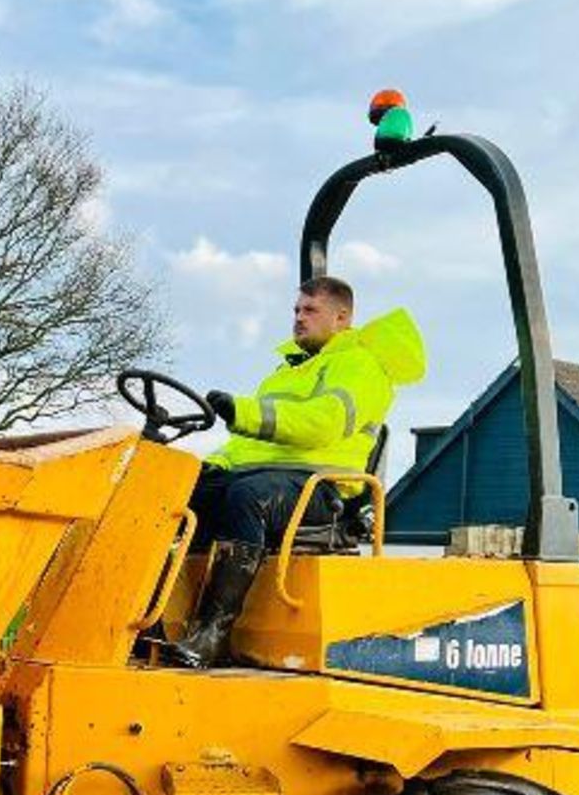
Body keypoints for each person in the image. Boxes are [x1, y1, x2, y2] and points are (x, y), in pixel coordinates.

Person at [170, 276, 426, 668]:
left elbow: (321, 423)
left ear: (341, 318)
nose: (298, 319)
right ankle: (157, 619)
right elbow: (249, 445)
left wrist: (245, 412)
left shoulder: (360, 365)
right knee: (176, 489)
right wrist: (206, 467)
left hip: (322, 489)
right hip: (271, 477)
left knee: (248, 498)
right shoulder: (287, 370)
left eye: (310, 310)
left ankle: (212, 633)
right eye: (296, 310)